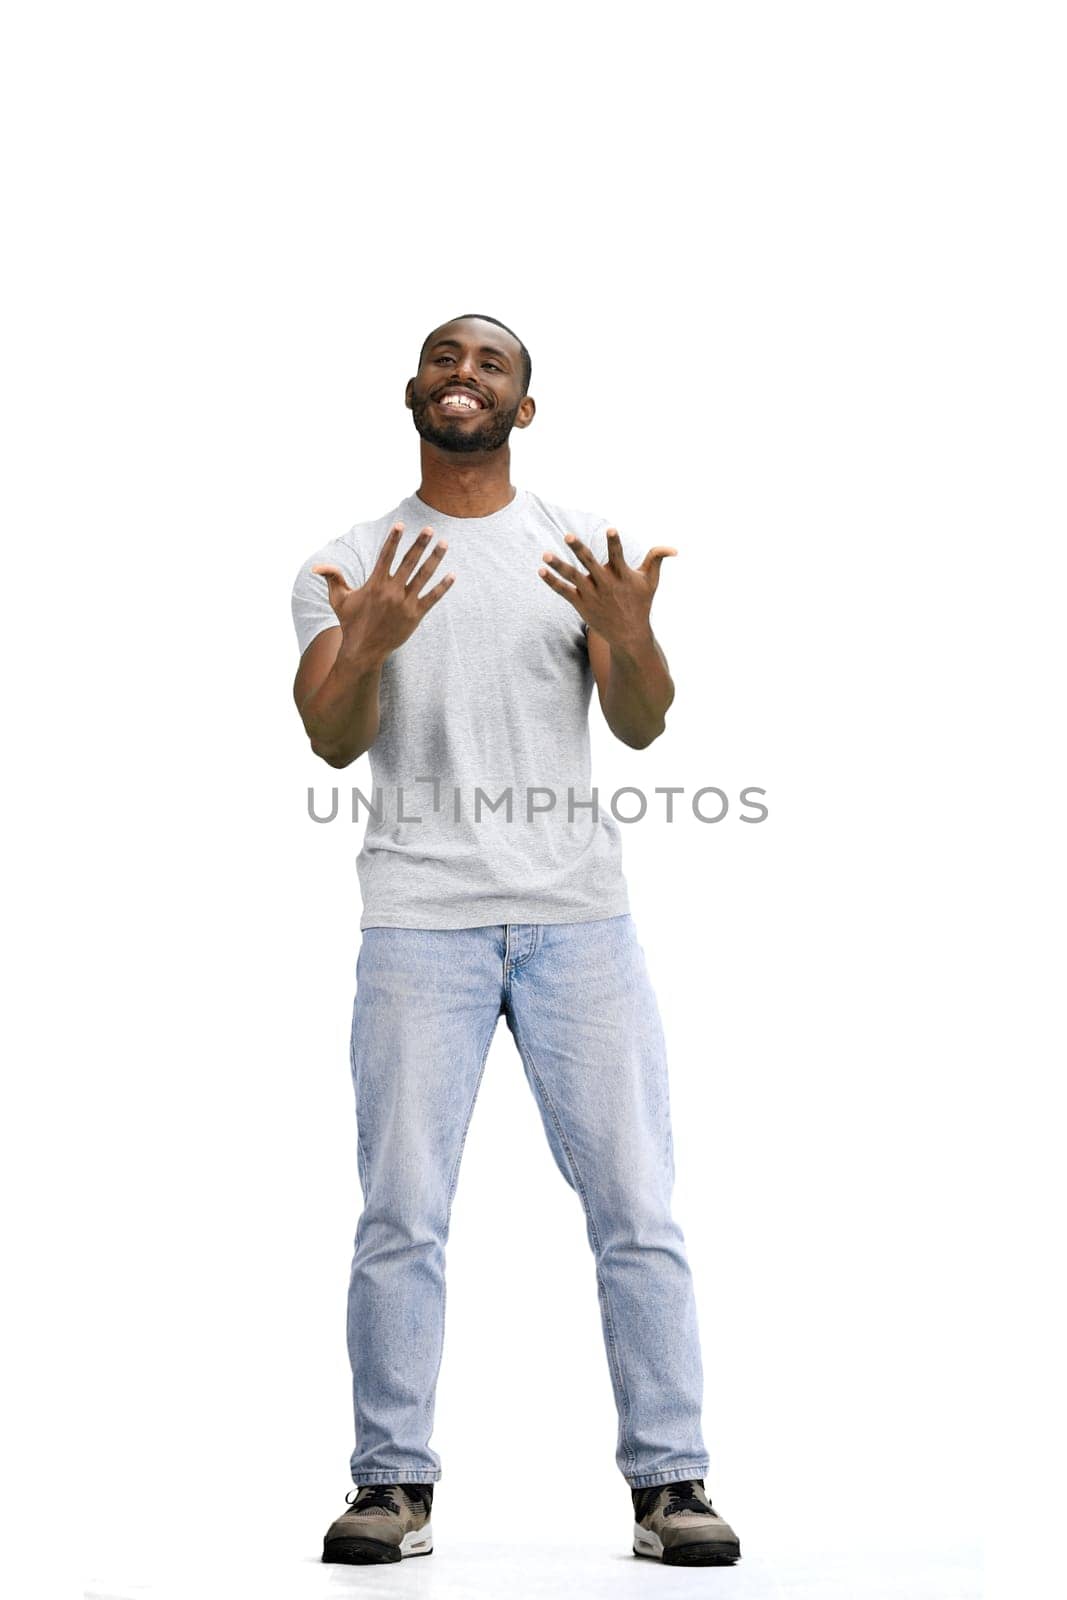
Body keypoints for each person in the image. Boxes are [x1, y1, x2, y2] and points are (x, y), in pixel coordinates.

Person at [290, 313, 741, 1567]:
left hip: (576, 925)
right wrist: (367, 645)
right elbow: (330, 738)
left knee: (636, 1206)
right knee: (401, 1214)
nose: (463, 374)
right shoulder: (346, 560)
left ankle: (671, 1485)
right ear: (411, 391)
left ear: (522, 409)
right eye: (444, 356)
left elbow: (641, 727)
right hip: (416, 927)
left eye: (490, 363)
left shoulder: (570, 551)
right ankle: (390, 1486)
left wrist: (634, 633)